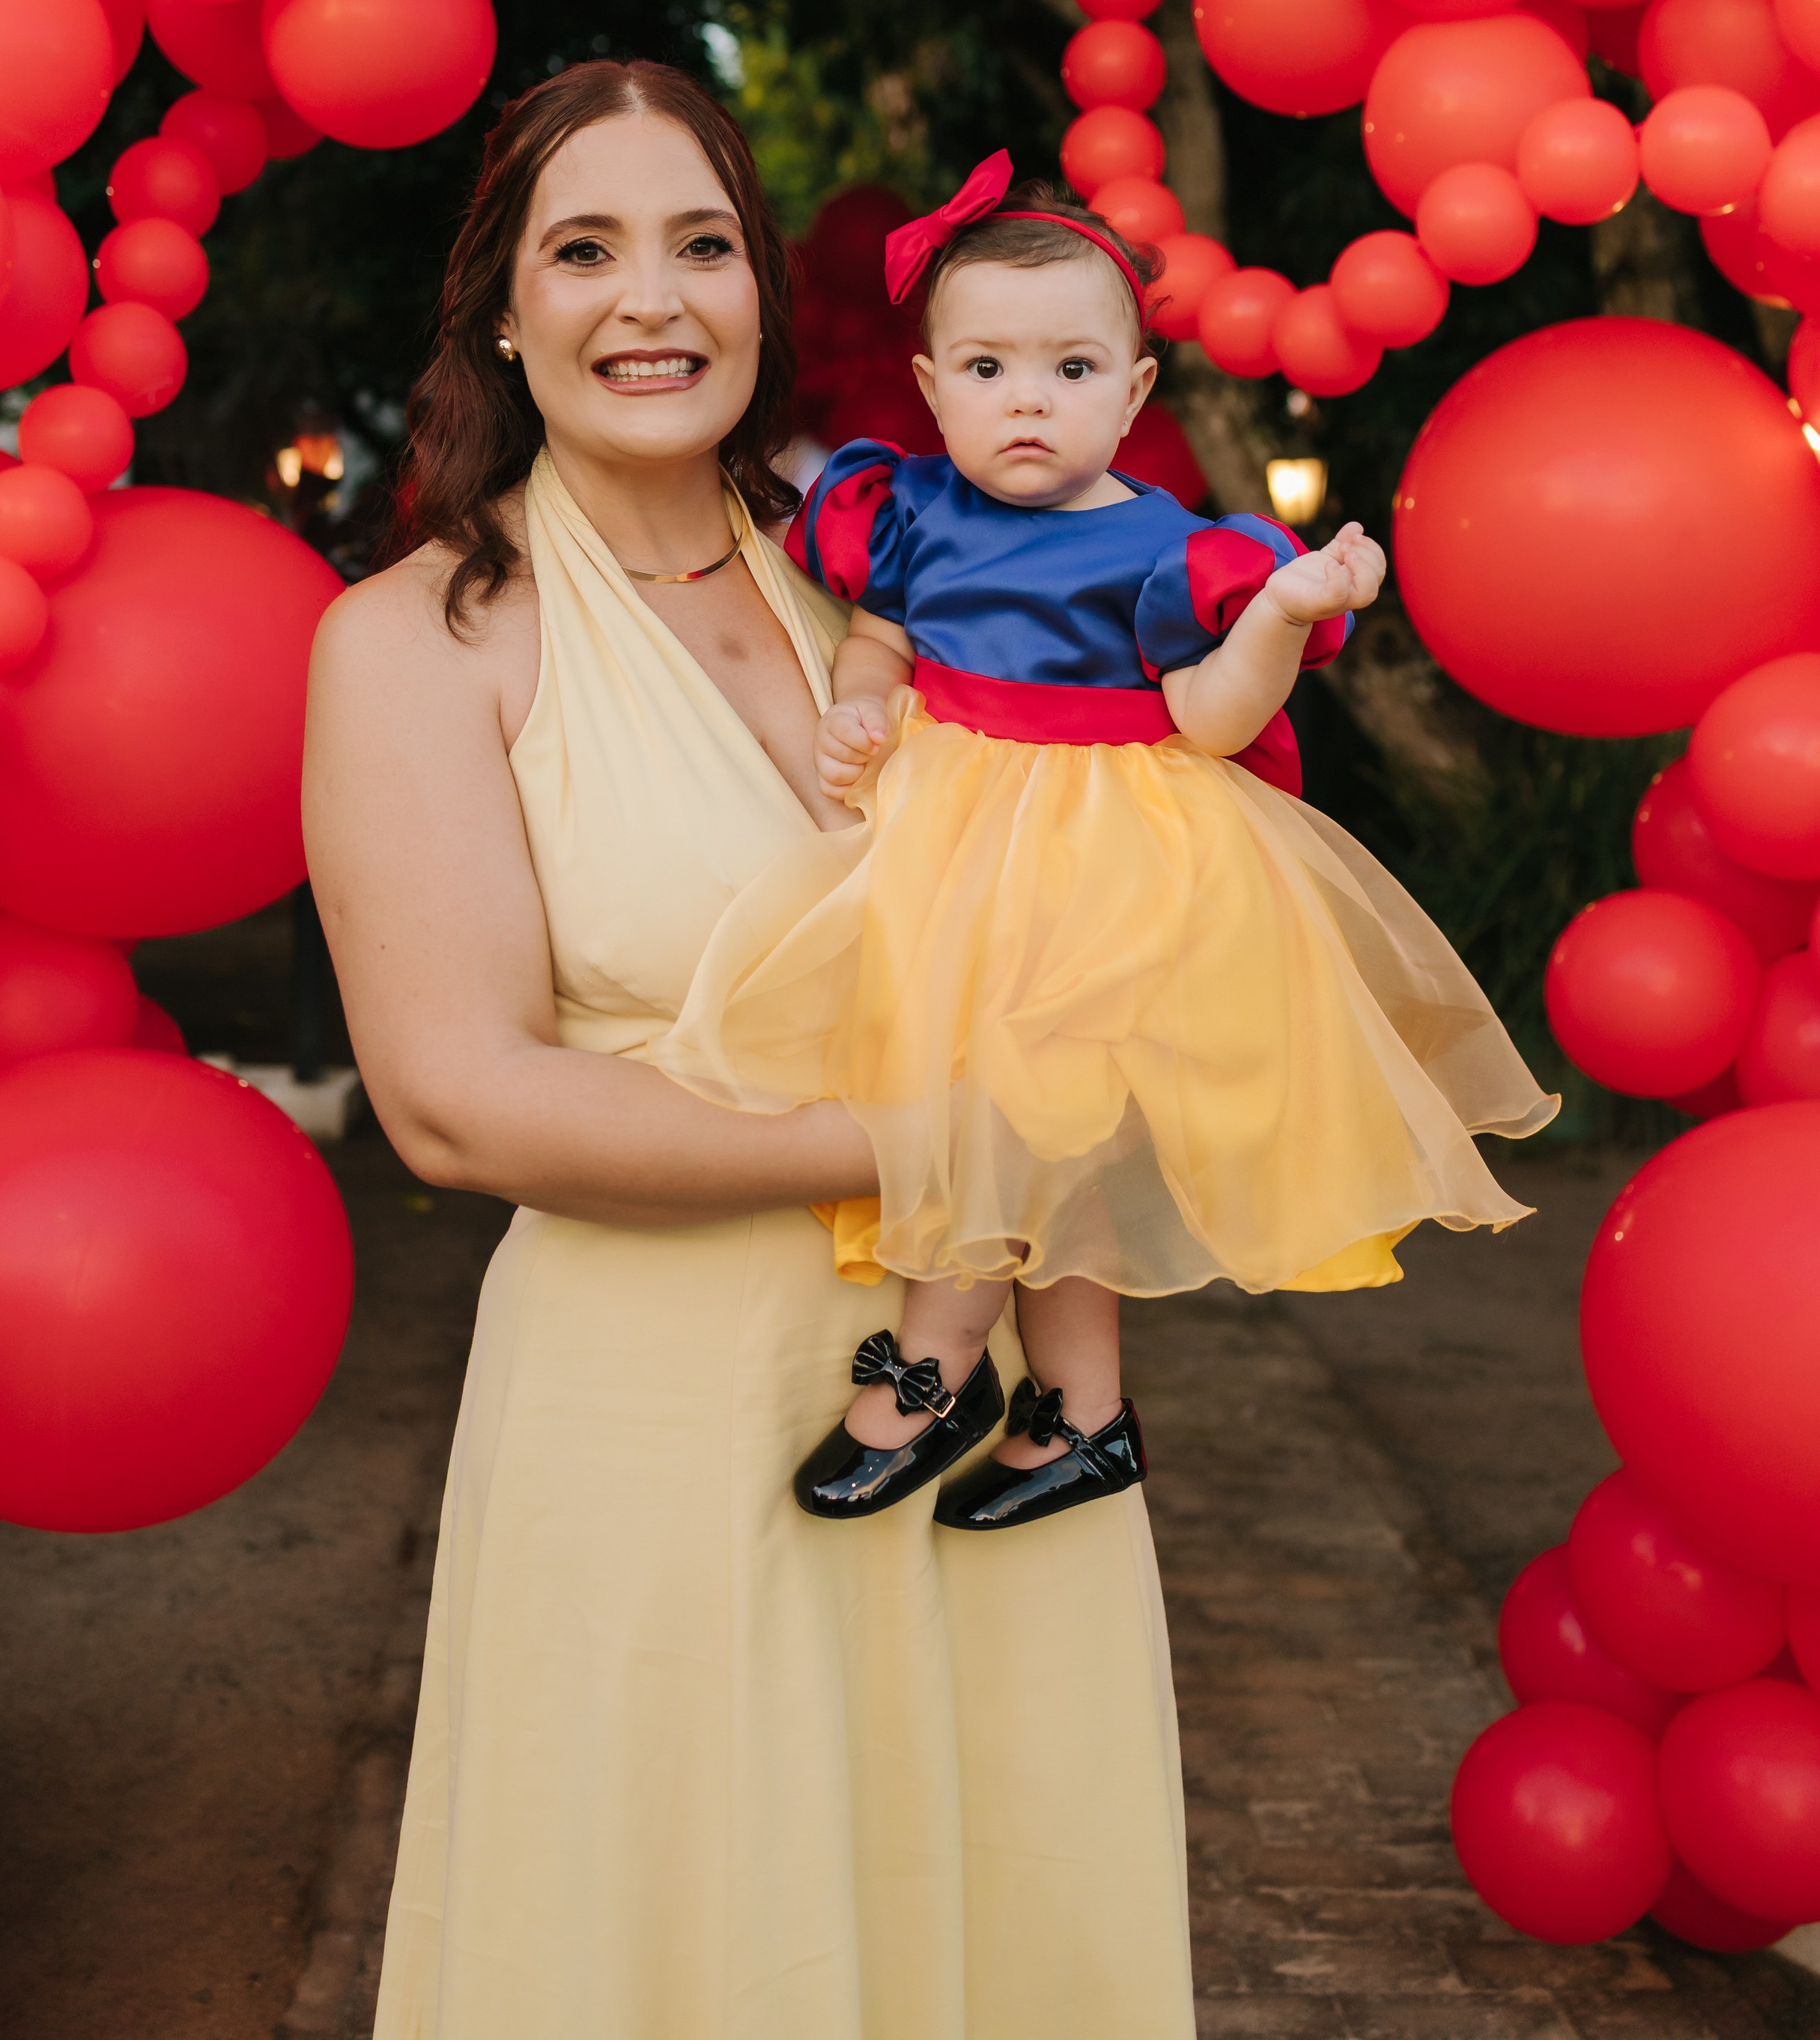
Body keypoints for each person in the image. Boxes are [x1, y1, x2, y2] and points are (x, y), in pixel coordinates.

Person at [303, 67, 1197, 2039]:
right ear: (505, 315)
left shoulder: (900, 565)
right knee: (703, 1941)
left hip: (971, 1399)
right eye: (587, 249)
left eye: (703, 243)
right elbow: (457, 1099)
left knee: (1004, 1908)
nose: (654, 299)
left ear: (768, 301)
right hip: (664, 1414)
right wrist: (926, 1136)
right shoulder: (421, 644)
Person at [659, 154, 1557, 1534]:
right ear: (932, 384)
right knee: (1020, 1140)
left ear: (1136, 393)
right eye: (991, 369)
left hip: (1107, 853)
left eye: (1075, 369)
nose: (1030, 399)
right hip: (952, 840)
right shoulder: (904, 510)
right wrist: (858, 706)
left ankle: (934, 1369)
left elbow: (1206, 720)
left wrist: (1278, 615)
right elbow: (884, 644)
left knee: (1013, 1117)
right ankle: (1085, 1419)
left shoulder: (1167, 549)